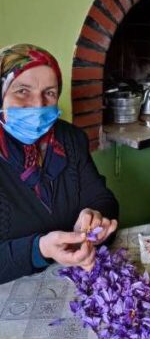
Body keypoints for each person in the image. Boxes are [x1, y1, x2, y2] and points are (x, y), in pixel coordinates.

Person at [0, 44, 118, 285]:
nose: (37, 104)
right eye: (22, 91)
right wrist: (40, 248)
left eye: (49, 93)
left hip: (74, 279)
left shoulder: (70, 139)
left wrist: (95, 217)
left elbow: (102, 199)